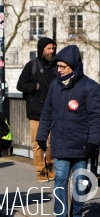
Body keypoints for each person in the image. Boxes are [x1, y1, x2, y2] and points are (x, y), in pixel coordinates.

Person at [36, 45, 100, 217]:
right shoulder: (55, 86)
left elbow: (96, 118)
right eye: (57, 66)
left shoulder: (90, 87)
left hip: (82, 146)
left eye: (63, 66)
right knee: (61, 181)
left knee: (79, 183)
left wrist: (93, 141)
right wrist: (42, 135)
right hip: (61, 144)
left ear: (73, 65)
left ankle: (76, 213)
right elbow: (47, 112)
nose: (59, 70)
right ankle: (61, 214)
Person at [16, 37, 57, 182]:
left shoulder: (57, 66)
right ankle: (40, 170)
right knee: (38, 143)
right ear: (42, 50)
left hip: (53, 110)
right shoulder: (31, 66)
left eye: (53, 48)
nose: (52, 51)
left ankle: (50, 165)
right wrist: (35, 87)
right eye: (49, 49)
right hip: (36, 111)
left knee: (54, 141)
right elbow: (20, 85)